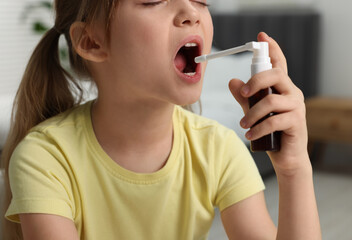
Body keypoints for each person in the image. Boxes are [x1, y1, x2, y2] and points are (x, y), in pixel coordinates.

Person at [1, 0, 321, 239]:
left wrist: (294, 170)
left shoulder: (218, 148)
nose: (192, 13)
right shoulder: (45, 158)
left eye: (201, 0)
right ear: (92, 42)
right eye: (154, 0)